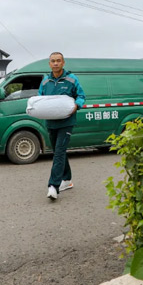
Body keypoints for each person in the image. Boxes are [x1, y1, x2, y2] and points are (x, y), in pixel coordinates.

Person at [38, 52, 85, 200]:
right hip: (51, 122)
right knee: (59, 152)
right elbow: (40, 99)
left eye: (58, 60)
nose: (56, 63)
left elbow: (81, 96)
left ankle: (53, 186)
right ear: (49, 64)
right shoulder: (45, 81)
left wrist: (76, 106)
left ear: (63, 63)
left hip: (66, 122)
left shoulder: (72, 79)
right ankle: (67, 180)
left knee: (58, 152)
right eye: (53, 61)